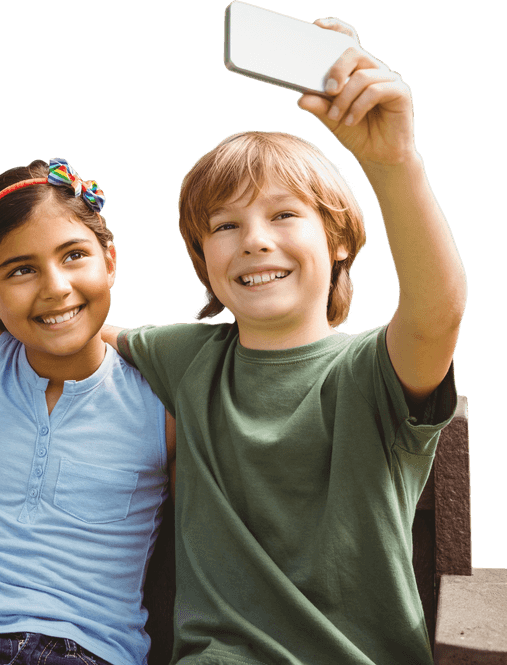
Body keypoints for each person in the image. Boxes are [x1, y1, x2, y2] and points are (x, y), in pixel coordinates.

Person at [108, 18, 465, 664]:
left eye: (283, 214)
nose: (253, 239)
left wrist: (392, 163)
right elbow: (63, 323)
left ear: (339, 240)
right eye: (225, 224)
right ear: (203, 258)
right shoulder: (190, 357)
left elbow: (437, 311)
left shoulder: (371, 373)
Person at [0, 157, 175, 665]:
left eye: (74, 255)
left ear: (110, 261)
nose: (54, 286)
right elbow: (11, 318)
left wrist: (139, 344)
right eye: (22, 269)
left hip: (89, 652)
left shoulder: (160, 398)